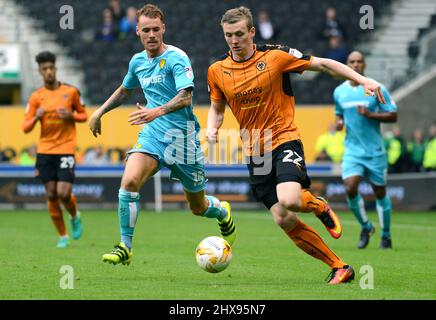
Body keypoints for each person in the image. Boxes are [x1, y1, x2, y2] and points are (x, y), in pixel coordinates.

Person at [206, 7, 385, 284]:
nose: (234, 40)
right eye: (229, 35)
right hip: (255, 150)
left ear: (252, 32)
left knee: (290, 199)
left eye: (240, 33)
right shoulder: (217, 70)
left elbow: (324, 64)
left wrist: (361, 80)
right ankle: (340, 267)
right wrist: (212, 127)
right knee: (283, 218)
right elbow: (217, 108)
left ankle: (318, 206)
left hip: (284, 138)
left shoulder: (276, 56)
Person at [88, 4, 236, 265]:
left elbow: (185, 96)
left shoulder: (177, 58)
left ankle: (222, 211)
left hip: (182, 139)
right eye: (146, 30)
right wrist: (99, 112)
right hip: (153, 135)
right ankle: (126, 246)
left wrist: (155, 111)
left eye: (156, 29)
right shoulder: (137, 62)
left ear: (163, 28)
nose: (152, 34)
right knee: (130, 181)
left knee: (198, 207)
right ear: (137, 31)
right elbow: (125, 90)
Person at [333, 51, 397, 250]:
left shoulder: (376, 88)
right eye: (352, 61)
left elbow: (393, 115)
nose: (356, 65)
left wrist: (369, 114)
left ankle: (385, 235)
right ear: (347, 64)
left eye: (359, 61)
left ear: (365, 65)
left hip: (375, 150)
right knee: (350, 187)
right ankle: (366, 226)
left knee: (379, 192)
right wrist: (339, 123)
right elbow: (339, 115)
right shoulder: (339, 92)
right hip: (353, 151)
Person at [22, 51, 87, 248]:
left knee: (64, 193)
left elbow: (84, 115)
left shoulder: (71, 92)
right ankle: (63, 236)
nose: (49, 72)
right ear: (40, 71)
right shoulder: (36, 97)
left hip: (66, 148)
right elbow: (25, 128)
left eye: (51, 68)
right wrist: (36, 117)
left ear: (55, 69)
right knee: (51, 194)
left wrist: (71, 116)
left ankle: (75, 215)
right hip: (45, 151)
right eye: (45, 69)